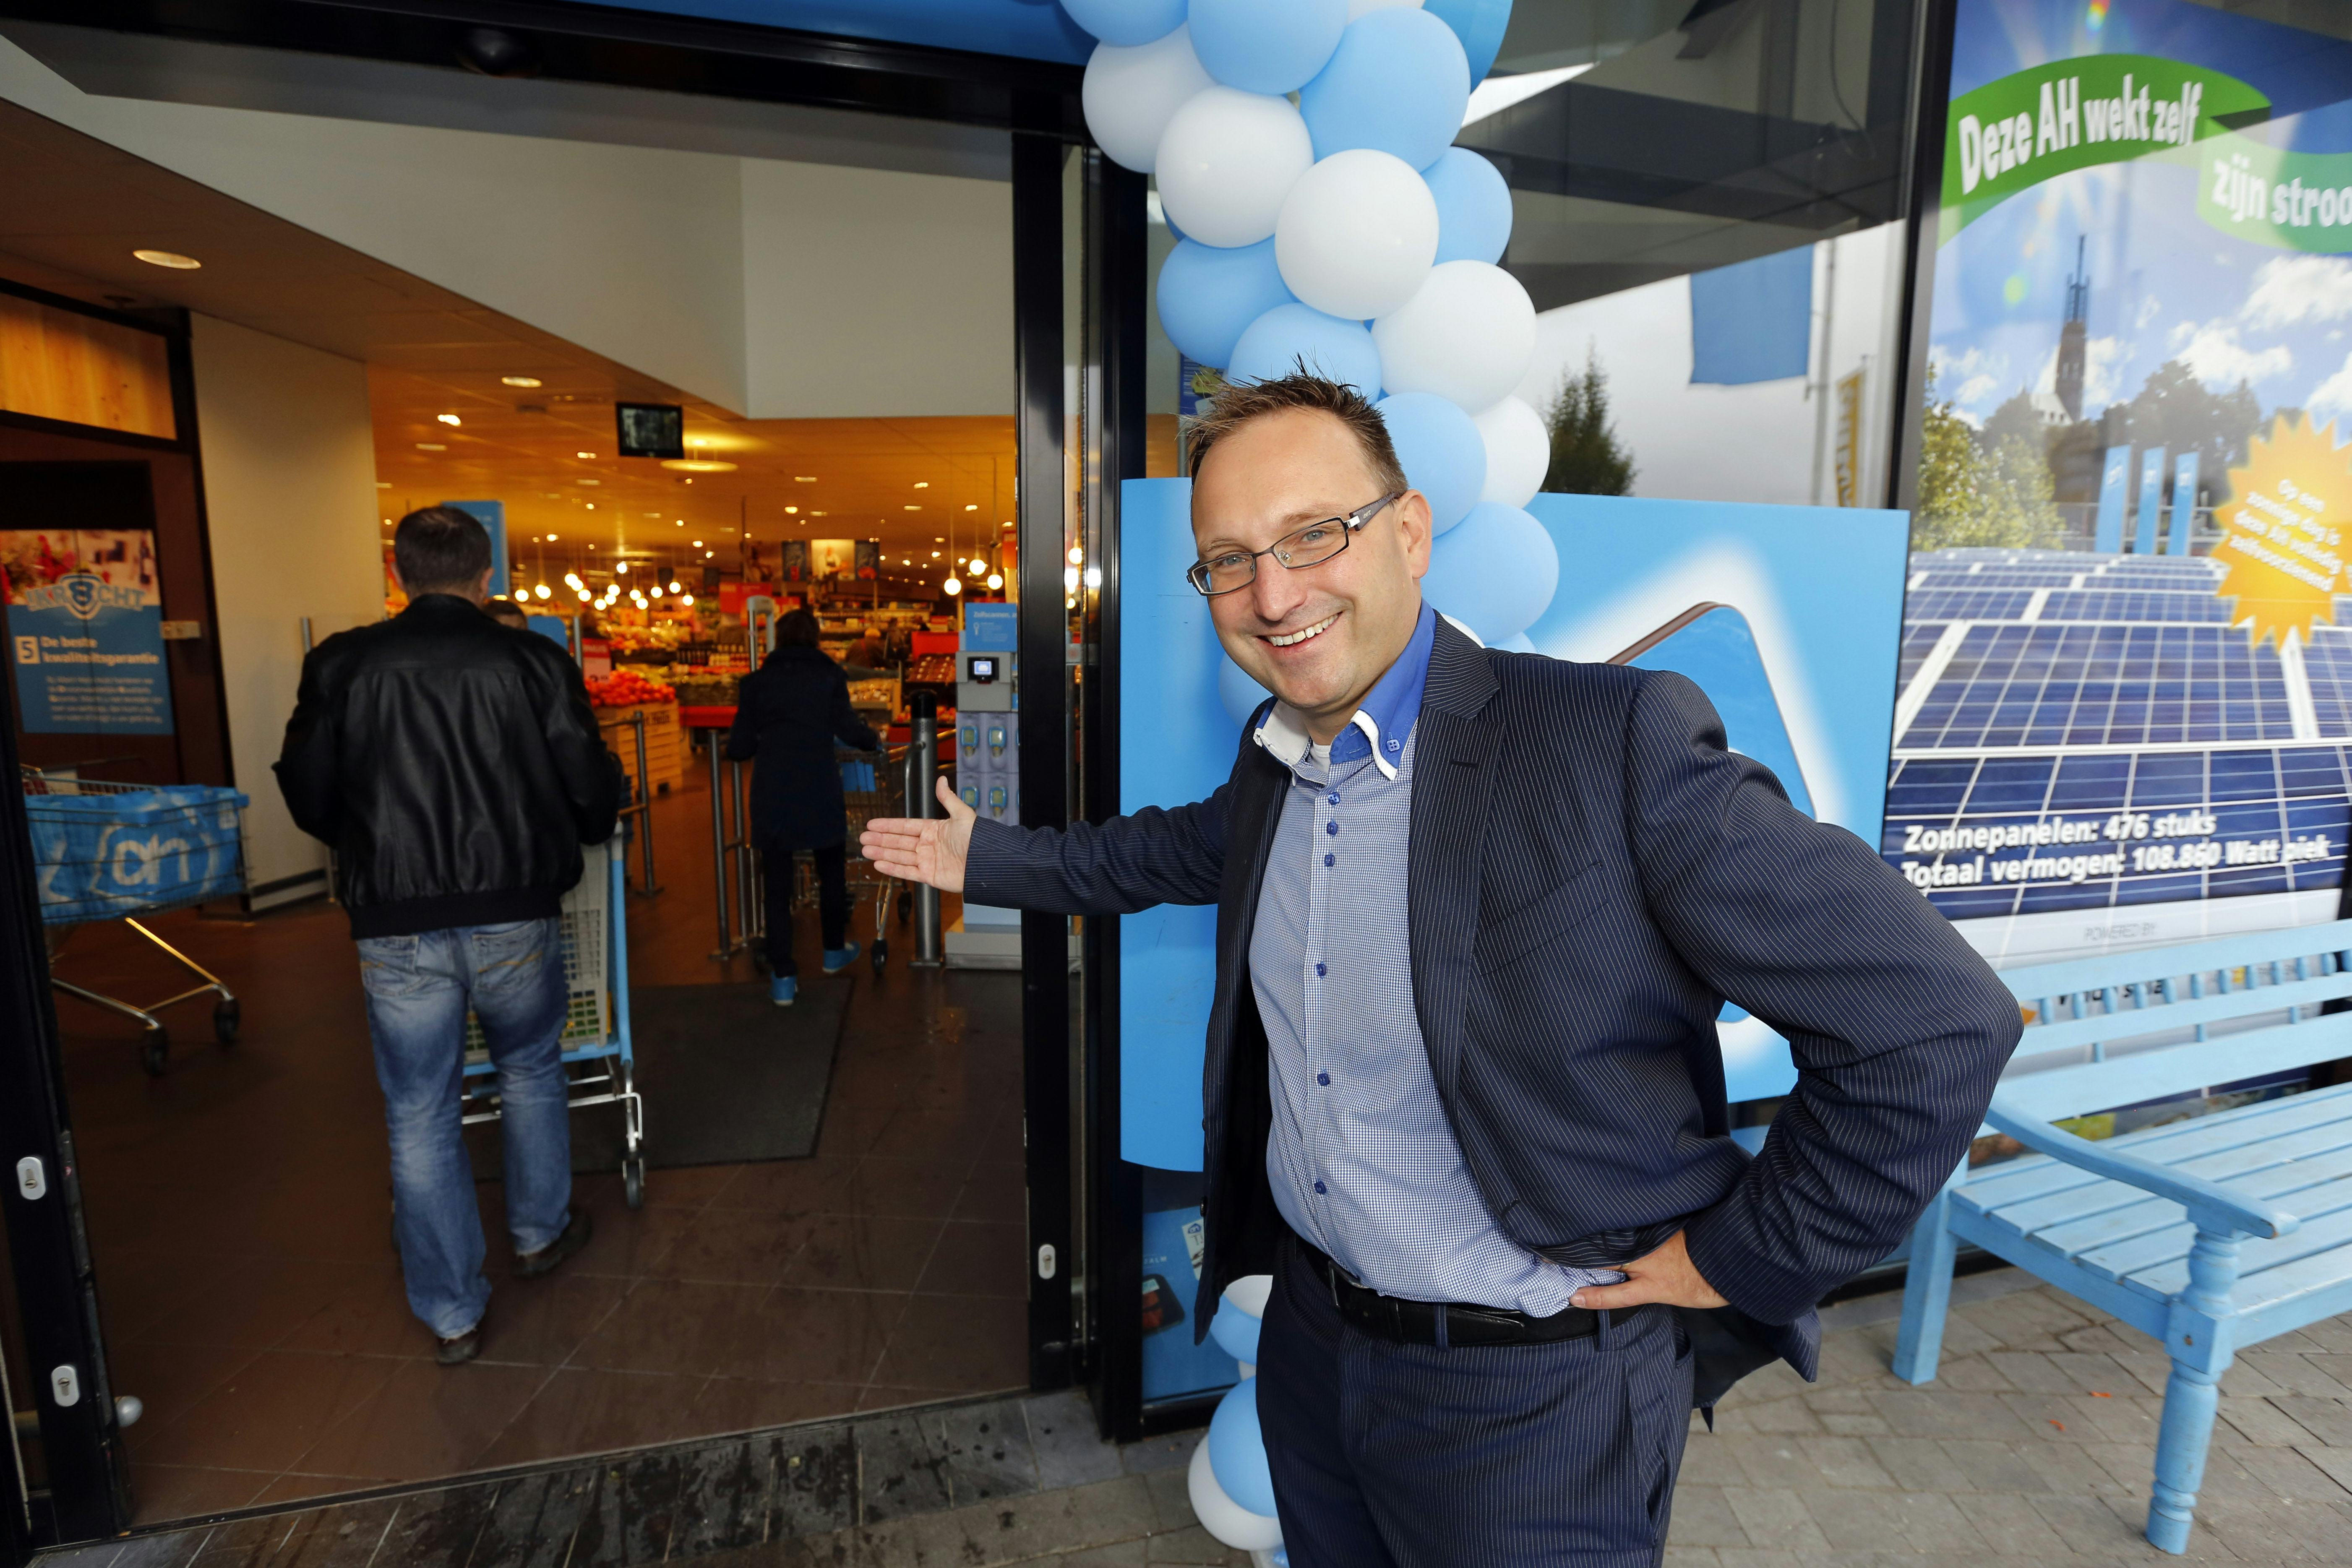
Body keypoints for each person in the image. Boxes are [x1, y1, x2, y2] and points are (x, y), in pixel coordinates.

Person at [863, 374, 2021, 1567]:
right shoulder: (1277, 767)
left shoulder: (1604, 743)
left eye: (1314, 534)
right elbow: (1153, 850)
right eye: (1228, 560)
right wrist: (983, 855)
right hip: (1319, 1349)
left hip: (1532, 1402)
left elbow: (1930, 1021)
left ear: (1408, 532)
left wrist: (1742, 1256)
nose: (1272, 594)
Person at [276, 507, 620, 1365]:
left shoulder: (342, 665)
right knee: (531, 1067)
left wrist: (364, 842)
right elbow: (587, 779)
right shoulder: (532, 660)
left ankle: (452, 1311)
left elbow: (310, 792)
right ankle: (539, 1233)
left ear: (399, 574)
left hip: (396, 920)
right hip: (514, 904)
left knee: (419, 1111)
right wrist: (580, 827)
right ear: (485, 572)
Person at [728, 607, 882, 1006]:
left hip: (773, 791)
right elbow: (848, 728)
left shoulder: (755, 684)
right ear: (815, 638)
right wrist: (872, 740)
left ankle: (783, 976)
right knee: (831, 871)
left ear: (777, 640)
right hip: (818, 786)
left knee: (776, 887)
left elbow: (739, 747)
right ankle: (833, 951)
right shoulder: (829, 676)